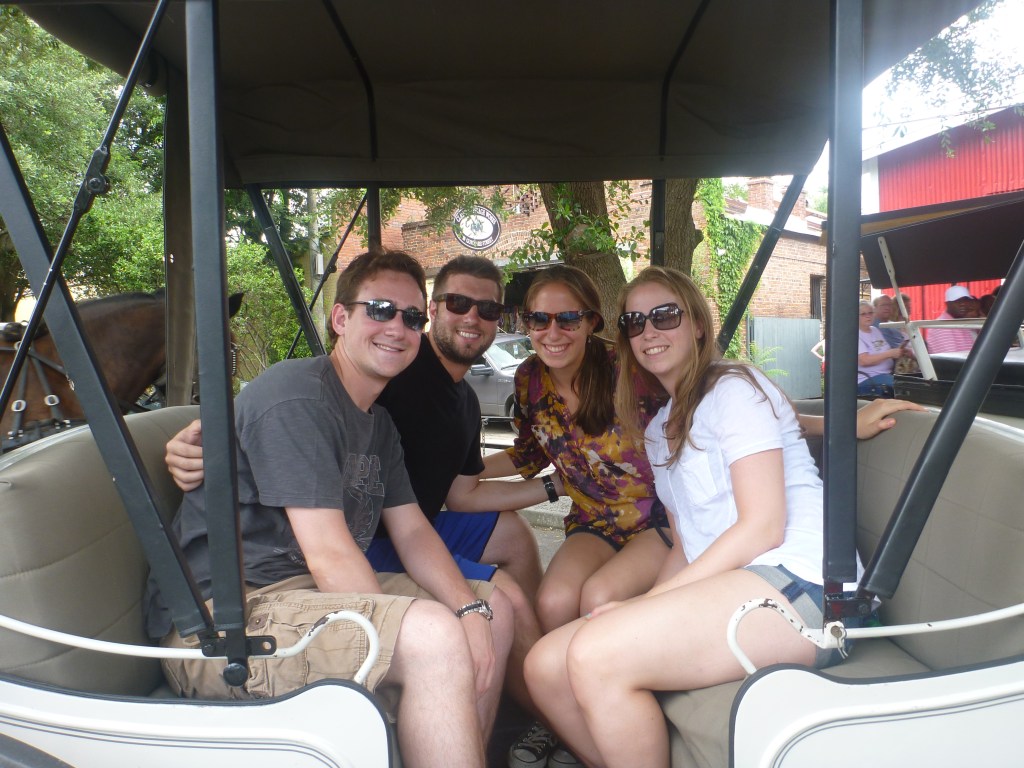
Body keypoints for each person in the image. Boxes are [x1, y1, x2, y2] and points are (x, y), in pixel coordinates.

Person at [147, 250, 514, 768]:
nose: (398, 327)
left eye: (412, 317)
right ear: (341, 318)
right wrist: (407, 632)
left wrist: (470, 612)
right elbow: (329, 554)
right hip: (223, 622)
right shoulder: (297, 395)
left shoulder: (378, 424)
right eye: (380, 309)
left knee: (495, 611)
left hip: (307, 599)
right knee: (432, 636)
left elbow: (412, 531)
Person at [522, 266, 864, 768]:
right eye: (635, 322)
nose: (649, 331)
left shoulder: (736, 389)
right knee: (543, 666)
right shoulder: (659, 430)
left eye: (665, 316)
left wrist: (643, 606)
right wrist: (640, 606)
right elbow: (685, 547)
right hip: (731, 589)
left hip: (804, 585)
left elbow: (763, 526)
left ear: (698, 324)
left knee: (596, 653)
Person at [469, 265, 670, 768]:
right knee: (554, 601)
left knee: (598, 598)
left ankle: (610, 714)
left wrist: (813, 422)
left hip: (657, 519)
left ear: (591, 321)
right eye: (539, 319)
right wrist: (461, 469)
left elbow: (698, 408)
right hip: (593, 520)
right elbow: (529, 454)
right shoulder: (529, 379)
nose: (552, 332)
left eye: (567, 319)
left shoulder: (627, 367)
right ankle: (560, 717)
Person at [858, 300, 907, 397]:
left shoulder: (875, 330)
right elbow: (864, 360)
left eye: (870, 313)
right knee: (904, 388)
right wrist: (890, 354)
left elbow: (885, 351)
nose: (868, 316)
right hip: (868, 378)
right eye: (863, 314)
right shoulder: (856, 334)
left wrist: (900, 351)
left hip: (886, 374)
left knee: (914, 381)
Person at [926, 285, 980, 353]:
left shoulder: (963, 323)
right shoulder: (940, 326)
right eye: (957, 301)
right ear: (947, 304)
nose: (963, 304)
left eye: (966, 300)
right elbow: (949, 357)